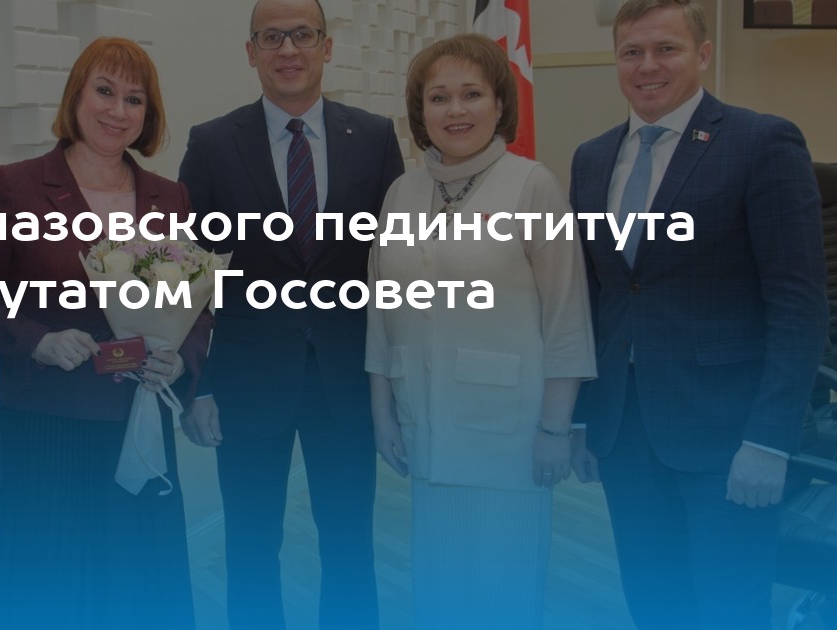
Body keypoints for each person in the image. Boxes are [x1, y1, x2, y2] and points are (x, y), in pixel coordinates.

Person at [569, 1, 828, 628]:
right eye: (632, 52)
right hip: (626, 433)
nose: (647, 66)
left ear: (703, 55)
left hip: (729, 436)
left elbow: (798, 307)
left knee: (728, 607)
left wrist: (770, 440)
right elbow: (595, 299)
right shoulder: (591, 158)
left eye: (667, 49)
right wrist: (583, 418)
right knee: (653, 601)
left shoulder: (761, 142)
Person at [178, 1, 404, 628]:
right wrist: (200, 384)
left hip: (346, 381)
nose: (288, 49)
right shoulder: (212, 143)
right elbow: (190, 279)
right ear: (250, 51)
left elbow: (392, 269)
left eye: (302, 34)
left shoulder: (376, 137)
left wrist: (396, 383)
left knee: (350, 547)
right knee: (251, 549)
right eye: (272, 37)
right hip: (247, 383)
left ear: (326, 46)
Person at [365, 33, 596, 629]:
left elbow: (567, 316)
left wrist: (556, 429)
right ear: (420, 112)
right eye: (439, 97)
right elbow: (381, 311)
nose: (455, 110)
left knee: (503, 594)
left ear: (499, 104)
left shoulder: (532, 185)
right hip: (425, 425)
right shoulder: (401, 192)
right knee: (438, 590)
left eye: (472, 94)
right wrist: (383, 413)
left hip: (510, 438)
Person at [0, 37, 210, 630]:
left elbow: (198, 305)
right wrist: (36, 340)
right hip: (47, 429)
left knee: (141, 595)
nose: (117, 110)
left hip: (140, 421)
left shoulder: (171, 196)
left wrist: (181, 360)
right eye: (104, 91)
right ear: (76, 97)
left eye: (135, 99)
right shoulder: (15, 185)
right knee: (52, 590)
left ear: (149, 114)